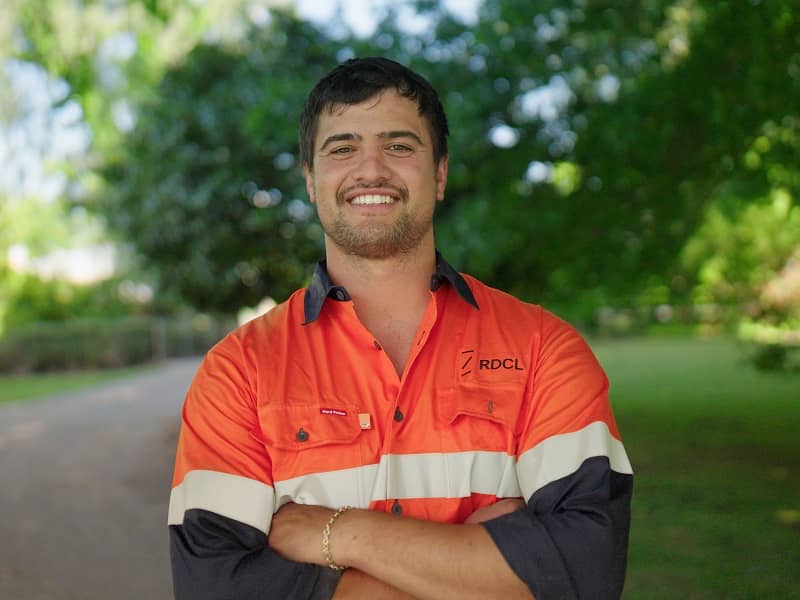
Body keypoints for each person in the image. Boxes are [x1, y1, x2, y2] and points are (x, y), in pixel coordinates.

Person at [168, 56, 633, 599]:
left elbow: (585, 575)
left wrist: (336, 534)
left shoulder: (543, 350)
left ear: (439, 174)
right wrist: (475, 568)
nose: (371, 170)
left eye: (399, 145)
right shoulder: (238, 372)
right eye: (342, 148)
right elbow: (214, 587)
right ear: (311, 180)